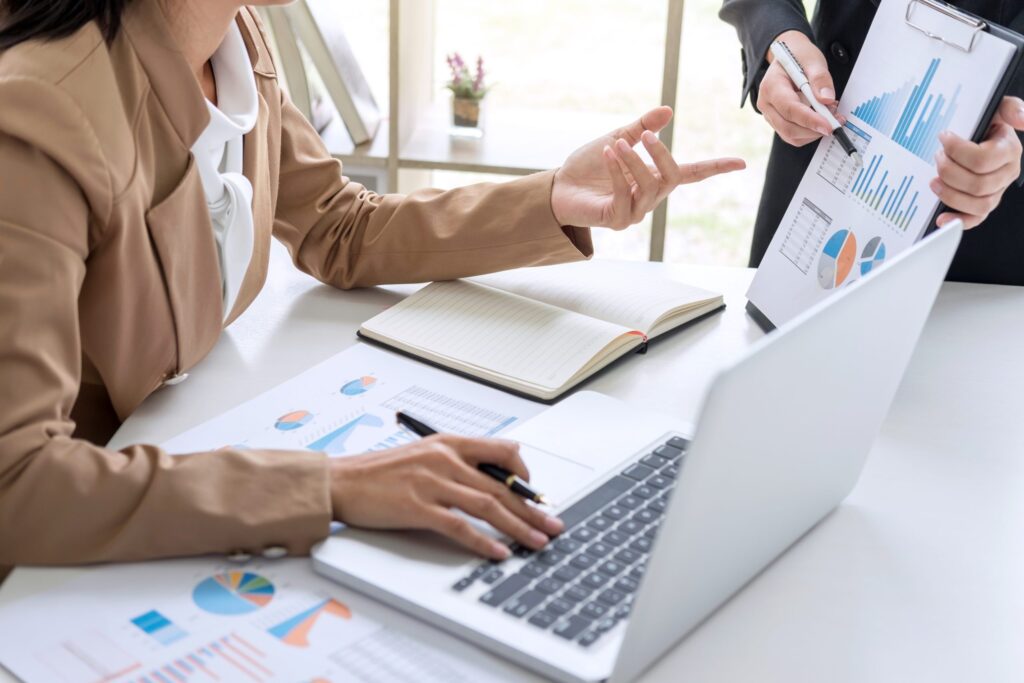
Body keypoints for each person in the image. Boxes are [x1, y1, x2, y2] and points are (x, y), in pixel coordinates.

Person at [0, 0, 744, 572]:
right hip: (65, 558)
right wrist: (330, 486)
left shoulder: (233, 35)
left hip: (180, 462)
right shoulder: (42, 112)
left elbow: (337, 226)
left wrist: (551, 198)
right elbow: (16, 484)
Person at [720, 0, 1024, 285]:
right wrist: (778, 35)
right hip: (825, 132)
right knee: (783, 329)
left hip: (986, 198)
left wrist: (1011, 124)